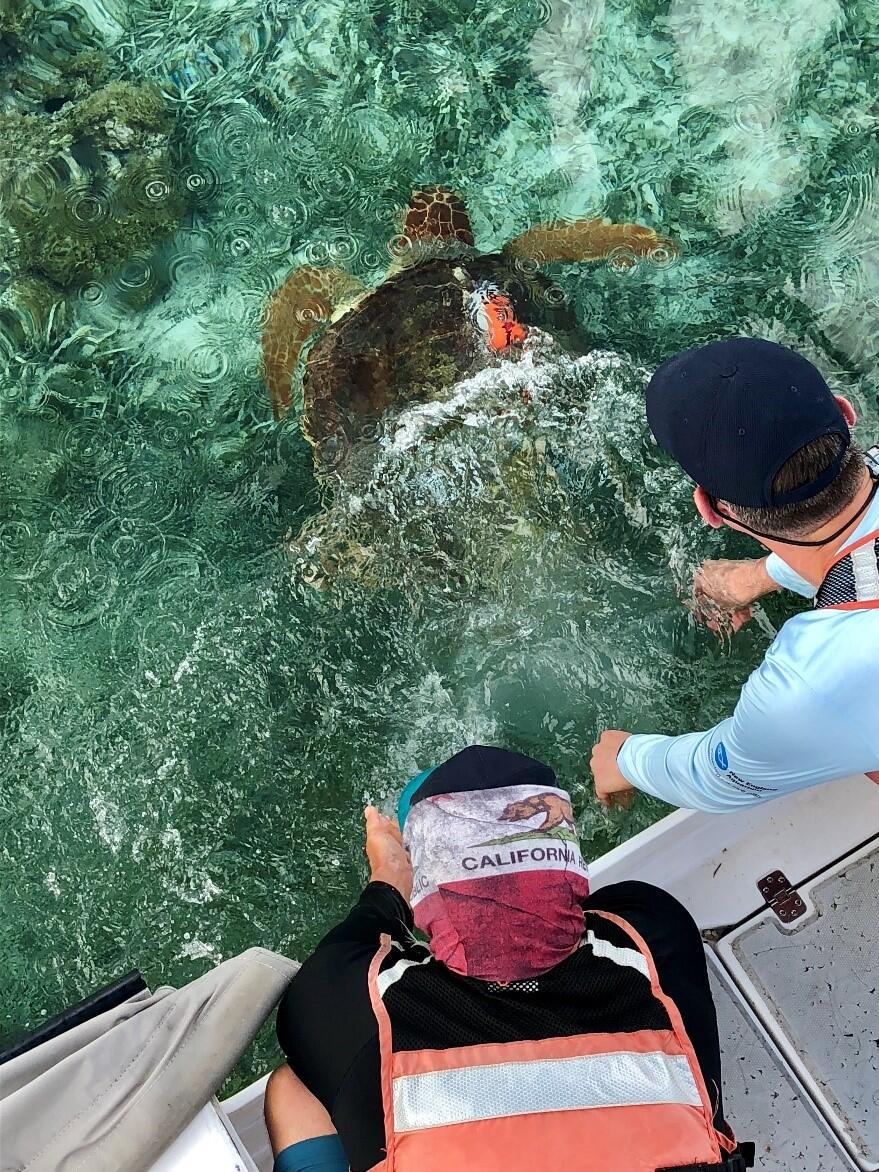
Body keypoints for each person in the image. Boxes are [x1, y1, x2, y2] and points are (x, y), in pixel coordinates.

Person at [265, 745, 752, 1172]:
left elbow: (334, 970)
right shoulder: (653, 938)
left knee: (295, 1086)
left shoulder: (365, 1009)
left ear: (425, 894)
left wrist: (389, 874)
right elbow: (607, 908)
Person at [591, 337, 879, 813]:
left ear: (711, 509)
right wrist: (764, 575)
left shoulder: (812, 683)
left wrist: (625, 757)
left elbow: (721, 777)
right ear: (847, 414)